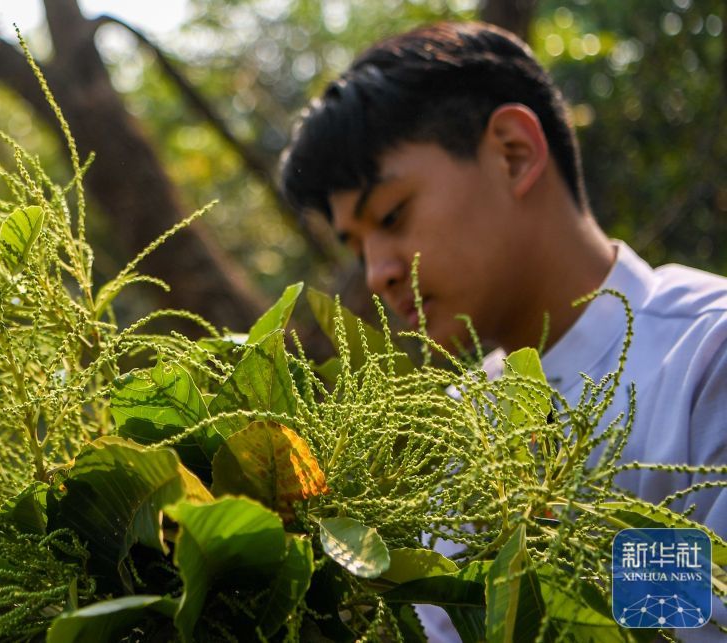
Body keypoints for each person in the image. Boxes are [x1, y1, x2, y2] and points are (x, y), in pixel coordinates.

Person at [280, 21, 725, 640]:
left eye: (392, 215)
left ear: (513, 153)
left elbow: (710, 619)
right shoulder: (459, 434)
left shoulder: (706, 354)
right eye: (358, 246)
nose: (379, 272)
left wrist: (553, 565)